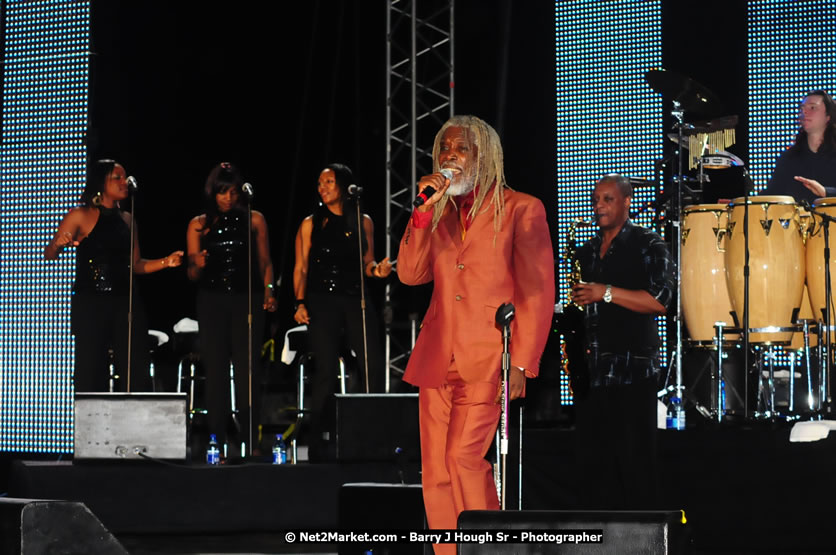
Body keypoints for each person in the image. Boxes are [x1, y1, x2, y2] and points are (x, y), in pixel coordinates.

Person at [397, 115, 554, 552]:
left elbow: (538, 290)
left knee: (464, 459)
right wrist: (423, 213)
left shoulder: (522, 208)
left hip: (489, 356)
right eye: (444, 149)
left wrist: (521, 361)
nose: (449, 156)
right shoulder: (440, 215)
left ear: (485, 156)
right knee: (436, 471)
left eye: (461, 148)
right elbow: (409, 275)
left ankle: (490, 549)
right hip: (437, 357)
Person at [571, 174, 674, 510]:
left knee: (636, 463)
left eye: (607, 199)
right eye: (596, 199)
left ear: (626, 202)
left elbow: (661, 299)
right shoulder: (585, 251)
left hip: (633, 370)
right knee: (594, 468)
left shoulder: (649, 243)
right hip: (592, 373)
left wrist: (607, 293)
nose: (598, 205)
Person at [45, 159, 183, 392]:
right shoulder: (79, 215)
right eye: (116, 178)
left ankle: (135, 421)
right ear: (101, 183)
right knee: (91, 368)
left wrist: (165, 262)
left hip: (126, 302)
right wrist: (58, 245)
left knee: (135, 367)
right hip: (91, 302)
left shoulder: (129, 220)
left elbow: (136, 264)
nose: (124, 182)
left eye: (125, 177)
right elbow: (49, 254)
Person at [293, 163, 392, 460]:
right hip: (322, 299)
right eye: (320, 183)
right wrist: (299, 303)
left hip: (355, 298)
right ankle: (318, 442)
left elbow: (368, 263)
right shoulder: (311, 223)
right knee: (325, 370)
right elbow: (301, 267)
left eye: (329, 182)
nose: (322, 188)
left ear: (345, 187)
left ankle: (371, 435)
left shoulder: (363, 221)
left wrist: (379, 270)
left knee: (371, 364)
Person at [186, 162, 277, 458]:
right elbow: (191, 272)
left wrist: (269, 290)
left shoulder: (255, 219)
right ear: (213, 193)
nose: (227, 198)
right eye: (222, 193)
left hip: (246, 299)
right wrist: (195, 265)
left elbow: (265, 261)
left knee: (247, 370)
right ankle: (216, 440)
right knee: (215, 371)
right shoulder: (199, 224)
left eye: (232, 192)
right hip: (212, 301)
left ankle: (251, 441)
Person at [762, 90, 836, 202]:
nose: (804, 112)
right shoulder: (788, 158)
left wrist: (826, 192)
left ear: (828, 116)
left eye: (812, 108)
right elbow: (771, 194)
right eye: (802, 108)